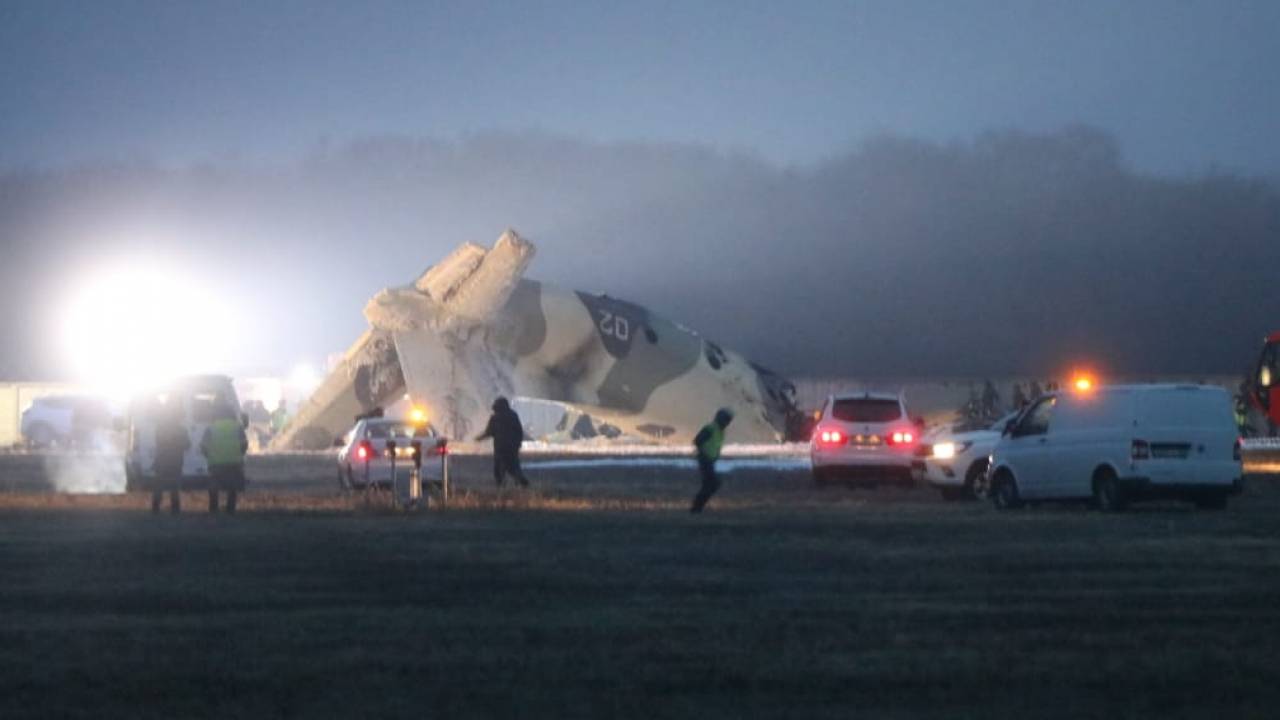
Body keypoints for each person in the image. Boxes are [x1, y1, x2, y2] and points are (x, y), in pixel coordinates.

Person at [202, 404, 248, 513]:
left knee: (214, 487)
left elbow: (203, 446)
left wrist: (209, 456)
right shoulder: (238, 427)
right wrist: (239, 454)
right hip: (234, 462)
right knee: (232, 487)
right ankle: (230, 508)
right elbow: (244, 444)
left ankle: (213, 508)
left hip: (215, 463)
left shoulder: (210, 428)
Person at [475, 397, 529, 487]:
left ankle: (501, 486)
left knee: (499, 469)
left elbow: (489, 432)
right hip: (512, 447)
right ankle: (521, 480)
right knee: (513, 466)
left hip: (500, 447)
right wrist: (518, 444)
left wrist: (479, 439)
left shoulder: (495, 418)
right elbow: (519, 431)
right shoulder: (513, 415)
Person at [690, 408, 733, 514]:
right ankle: (696, 508)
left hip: (710, 460)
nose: (727, 423)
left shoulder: (719, 431)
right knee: (712, 483)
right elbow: (697, 440)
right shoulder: (711, 428)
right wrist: (703, 453)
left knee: (710, 484)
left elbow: (716, 445)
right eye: (726, 420)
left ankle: (697, 508)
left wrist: (715, 456)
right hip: (705, 459)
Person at [152, 400, 190, 515]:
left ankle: (155, 508)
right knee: (174, 486)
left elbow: (158, 442)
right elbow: (187, 445)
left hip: (162, 459)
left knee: (159, 485)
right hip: (176, 461)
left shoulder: (160, 428)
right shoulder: (182, 430)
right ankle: (175, 508)